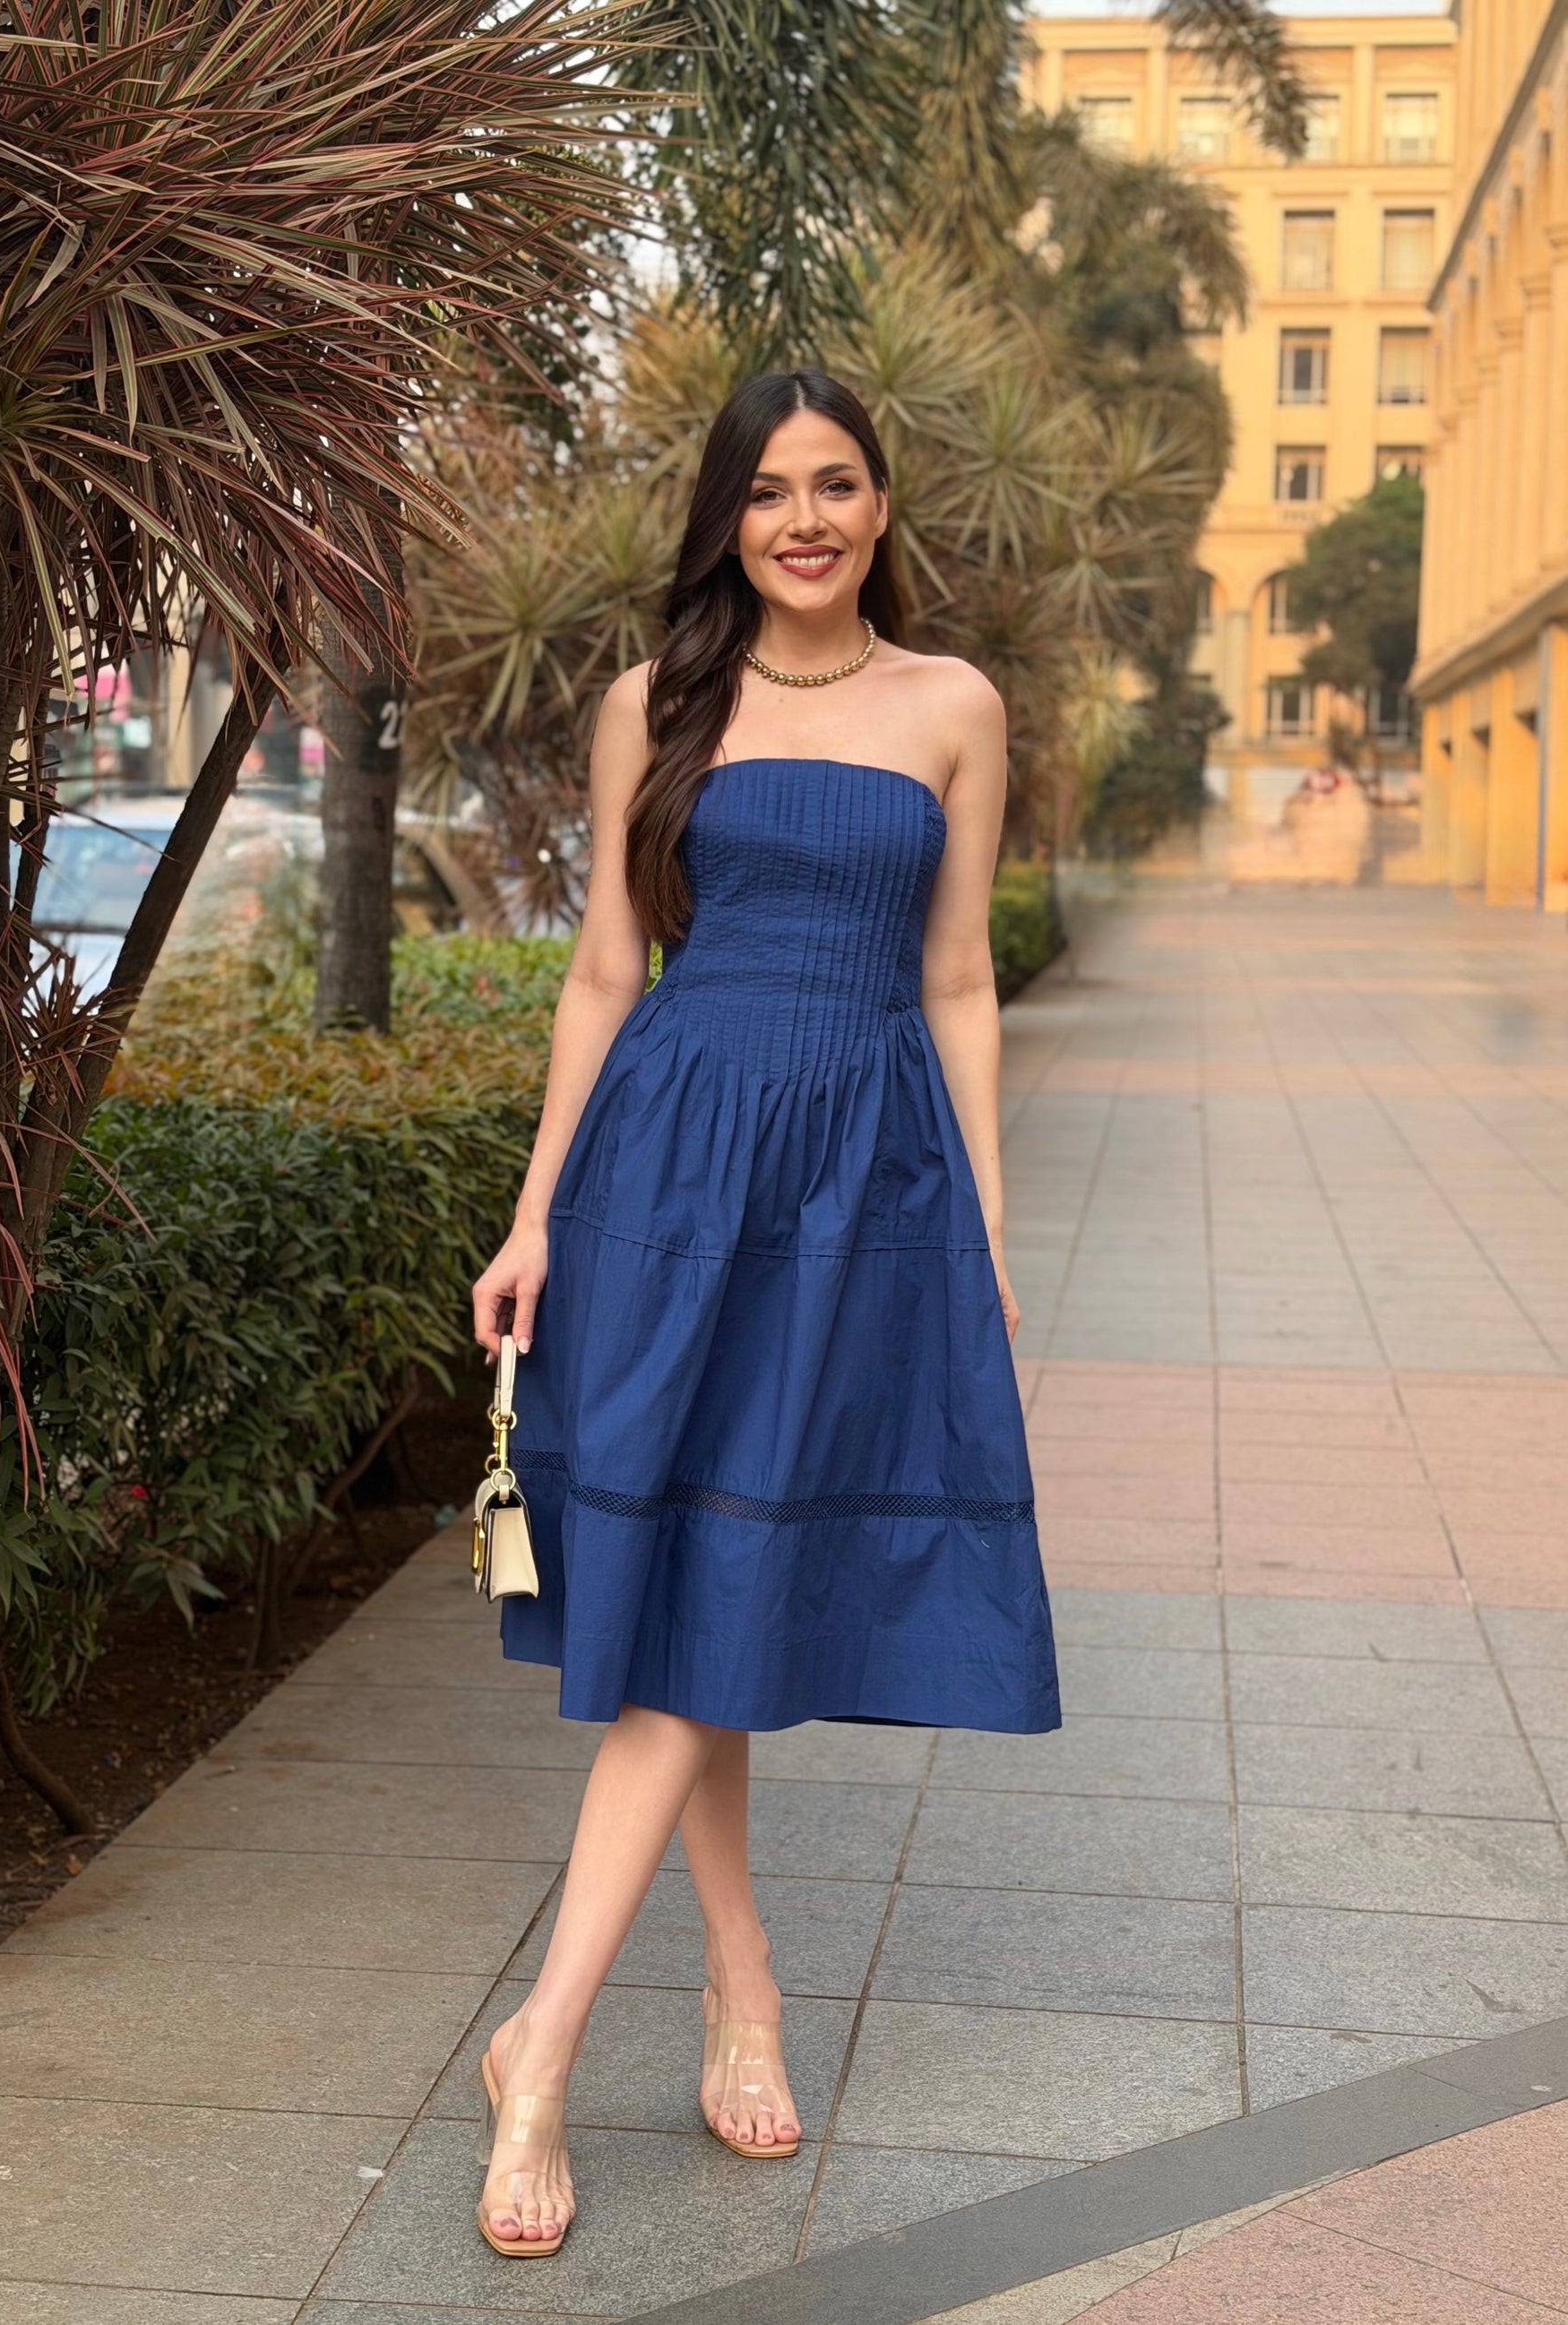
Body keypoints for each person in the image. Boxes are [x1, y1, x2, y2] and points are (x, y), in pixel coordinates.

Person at [469, 366, 1059, 2259]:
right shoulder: (656, 702)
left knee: (712, 1596)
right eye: (766, 490)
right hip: (668, 1172)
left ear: (882, 508)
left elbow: (958, 975)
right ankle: (569, 2040)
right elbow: (601, 969)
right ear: (728, 518)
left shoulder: (952, 705)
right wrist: (535, 1213)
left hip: (853, 1189)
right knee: (682, 1613)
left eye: (836, 485)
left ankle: (688, 1993)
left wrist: (975, 1218)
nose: (801, 517)